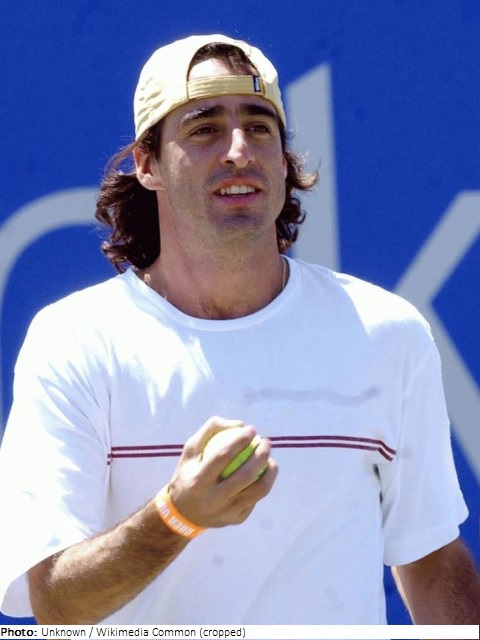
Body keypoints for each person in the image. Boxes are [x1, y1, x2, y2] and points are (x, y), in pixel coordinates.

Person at [0, 33, 479, 626]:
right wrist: (176, 515)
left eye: (259, 127)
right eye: (204, 128)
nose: (238, 151)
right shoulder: (73, 341)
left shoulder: (388, 333)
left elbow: (430, 557)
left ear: (283, 159)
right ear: (147, 165)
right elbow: (55, 605)